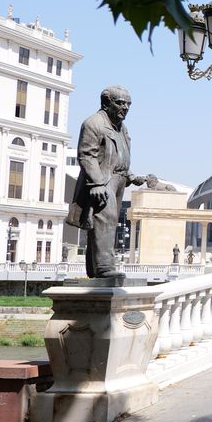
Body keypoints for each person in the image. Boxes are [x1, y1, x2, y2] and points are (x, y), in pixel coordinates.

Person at [65, 86, 146, 278]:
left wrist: (130, 176)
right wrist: (97, 183)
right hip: (103, 180)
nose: (125, 107)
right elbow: (86, 155)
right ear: (106, 103)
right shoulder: (94, 123)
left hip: (118, 180)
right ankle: (104, 267)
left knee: (102, 224)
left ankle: (95, 269)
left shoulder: (121, 127)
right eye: (120, 103)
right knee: (105, 220)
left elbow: (118, 156)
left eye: (128, 104)